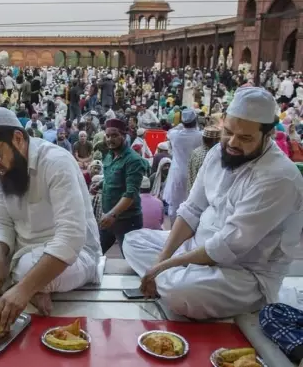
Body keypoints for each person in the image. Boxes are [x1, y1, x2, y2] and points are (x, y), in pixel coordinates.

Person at [123, 88, 303, 320]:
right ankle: (172, 276)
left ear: (267, 135)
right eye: (228, 132)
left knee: (183, 293)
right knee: (133, 241)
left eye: (245, 138)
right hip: (194, 249)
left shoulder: (278, 177)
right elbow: (192, 209)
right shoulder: (218, 151)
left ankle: (173, 279)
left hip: (243, 273)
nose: (233, 143)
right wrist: (162, 260)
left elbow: (227, 246)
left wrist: (162, 267)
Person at [0, 107, 102, 322]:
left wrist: (23, 290)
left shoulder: (56, 162)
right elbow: (2, 220)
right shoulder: (1, 167)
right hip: (21, 247)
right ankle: (26, 284)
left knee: (27, 267)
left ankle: (22, 284)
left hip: (73, 255)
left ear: (18, 138)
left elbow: (71, 237)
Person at [99, 118, 146, 254]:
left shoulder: (133, 160)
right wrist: (100, 183)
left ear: (124, 136)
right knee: (95, 252)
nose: (109, 139)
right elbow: (113, 178)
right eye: (107, 136)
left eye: (114, 135)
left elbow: (130, 193)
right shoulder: (109, 155)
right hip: (108, 219)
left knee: (132, 260)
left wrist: (112, 214)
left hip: (126, 221)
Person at [162, 109, 202, 224]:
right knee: (191, 203)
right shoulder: (200, 136)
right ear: (195, 121)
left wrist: (180, 125)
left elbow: (170, 131)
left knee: (175, 203)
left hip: (177, 173)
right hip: (194, 173)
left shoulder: (175, 135)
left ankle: (173, 228)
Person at [187, 126, 220, 190]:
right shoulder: (215, 156)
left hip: (192, 192)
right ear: (216, 140)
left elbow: (190, 173)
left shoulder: (195, 152)